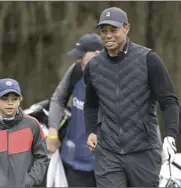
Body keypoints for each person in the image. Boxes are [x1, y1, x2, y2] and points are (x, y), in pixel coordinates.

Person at [84, 7, 180, 187]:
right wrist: (91, 130)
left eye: (113, 30)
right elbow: (90, 104)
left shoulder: (149, 59)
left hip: (143, 151)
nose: (108, 35)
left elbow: (169, 102)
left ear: (126, 29)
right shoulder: (93, 67)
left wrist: (170, 136)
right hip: (108, 152)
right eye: (104, 31)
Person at [47, 33, 103, 187]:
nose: (78, 60)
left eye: (81, 56)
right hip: (74, 162)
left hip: (105, 166)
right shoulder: (76, 70)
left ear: (97, 54)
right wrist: (53, 131)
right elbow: (58, 98)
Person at [0, 78, 49, 187]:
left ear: (20, 100)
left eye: (14, 99)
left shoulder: (32, 125)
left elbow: (42, 157)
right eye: (4, 99)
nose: (10, 103)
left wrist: (31, 180)